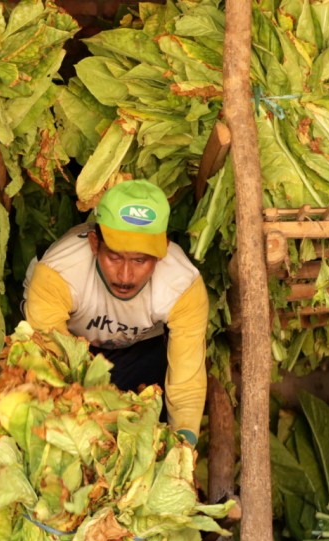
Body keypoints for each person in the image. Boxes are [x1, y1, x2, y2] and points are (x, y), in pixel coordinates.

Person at [23, 179, 209, 444]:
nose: (125, 275)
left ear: (163, 250)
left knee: (152, 420)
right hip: (69, 349)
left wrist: (185, 446)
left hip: (140, 348)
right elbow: (50, 367)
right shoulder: (58, 274)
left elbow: (186, 384)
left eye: (140, 260)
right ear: (94, 243)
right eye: (114, 257)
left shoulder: (183, 287)